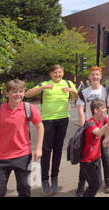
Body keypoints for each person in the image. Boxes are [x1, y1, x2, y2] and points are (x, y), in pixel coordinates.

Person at [0, 79, 44, 197]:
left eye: (21, 91)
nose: (18, 94)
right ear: (7, 93)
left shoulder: (28, 108)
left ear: (24, 93)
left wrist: (39, 148)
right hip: (1, 158)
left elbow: (40, 126)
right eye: (14, 91)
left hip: (23, 156)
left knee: (24, 189)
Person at [25, 64, 78, 195]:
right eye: (55, 73)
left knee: (58, 149)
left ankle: (55, 177)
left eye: (59, 72)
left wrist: (72, 91)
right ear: (50, 74)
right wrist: (43, 87)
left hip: (63, 119)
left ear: (63, 73)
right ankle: (44, 179)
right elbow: (27, 94)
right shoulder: (45, 83)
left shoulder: (68, 83)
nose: (57, 75)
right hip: (47, 121)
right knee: (46, 150)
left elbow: (78, 98)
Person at [76, 66, 109, 196]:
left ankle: (108, 182)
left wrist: (108, 133)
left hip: (102, 128)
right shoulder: (84, 92)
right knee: (85, 157)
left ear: (100, 76)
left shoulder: (106, 91)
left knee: (104, 156)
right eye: (92, 74)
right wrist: (83, 129)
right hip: (90, 128)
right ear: (89, 76)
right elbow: (81, 111)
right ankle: (81, 185)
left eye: (97, 74)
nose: (95, 77)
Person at [80, 99, 109, 197]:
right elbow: (99, 132)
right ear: (96, 110)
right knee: (95, 184)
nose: (105, 110)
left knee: (97, 183)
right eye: (103, 108)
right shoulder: (90, 123)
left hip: (96, 158)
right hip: (87, 161)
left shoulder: (101, 120)